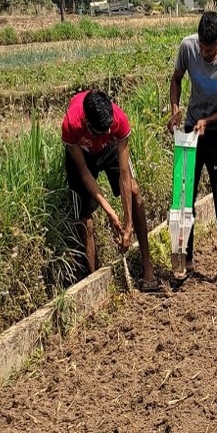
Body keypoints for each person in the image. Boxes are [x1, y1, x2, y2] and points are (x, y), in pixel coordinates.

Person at [167, 11, 217, 286]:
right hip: (191, 133)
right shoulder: (188, 47)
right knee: (184, 198)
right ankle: (184, 259)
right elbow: (176, 79)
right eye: (201, 47)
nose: (204, 52)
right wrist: (176, 111)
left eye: (209, 50)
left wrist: (209, 121)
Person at [62, 89, 156, 290]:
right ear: (87, 123)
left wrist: (128, 224)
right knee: (84, 218)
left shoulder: (118, 121)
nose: (106, 133)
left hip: (110, 149)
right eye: (101, 131)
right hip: (83, 155)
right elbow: (84, 172)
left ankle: (147, 265)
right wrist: (112, 214)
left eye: (108, 128)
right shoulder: (71, 125)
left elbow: (124, 175)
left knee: (134, 191)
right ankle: (94, 280)